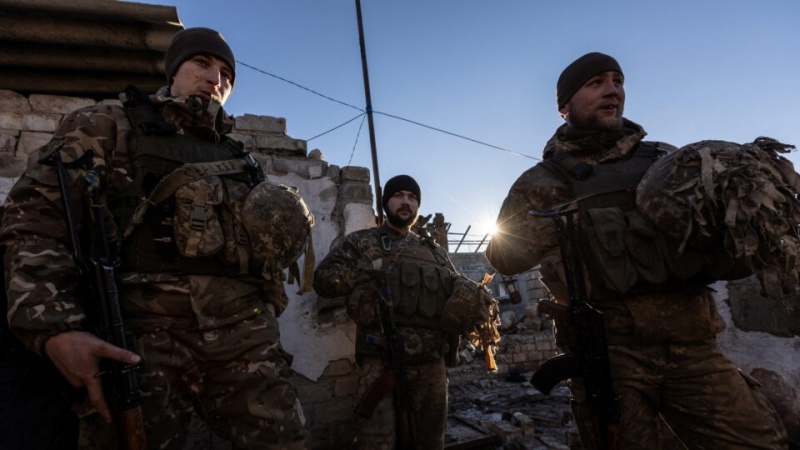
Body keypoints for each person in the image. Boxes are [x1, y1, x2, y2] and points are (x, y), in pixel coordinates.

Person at [1, 27, 309, 449]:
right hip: (143, 339)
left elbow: (266, 250)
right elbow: (34, 220)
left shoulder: (242, 158)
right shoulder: (107, 124)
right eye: (202, 63)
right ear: (173, 71)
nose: (215, 79)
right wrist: (55, 328)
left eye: (227, 74)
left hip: (245, 337)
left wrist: (269, 308)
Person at [486, 52, 789, 449]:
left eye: (617, 81)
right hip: (611, 357)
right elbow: (503, 257)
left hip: (693, 346)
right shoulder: (543, 180)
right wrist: (560, 222)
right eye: (596, 83)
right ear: (564, 107)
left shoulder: (667, 161)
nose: (612, 90)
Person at [313, 175, 498, 450]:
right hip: (381, 361)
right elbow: (323, 280)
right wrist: (366, 271)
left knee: (430, 442)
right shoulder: (363, 242)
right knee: (376, 440)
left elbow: (452, 290)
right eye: (398, 195)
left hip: (431, 364)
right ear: (386, 202)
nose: (406, 202)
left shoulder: (434, 251)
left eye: (412, 198)